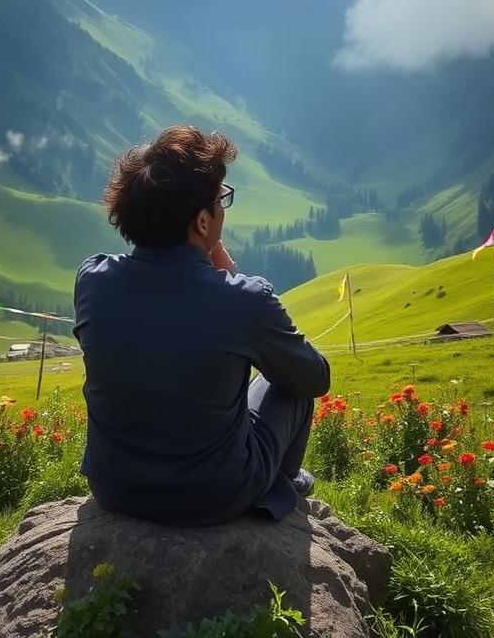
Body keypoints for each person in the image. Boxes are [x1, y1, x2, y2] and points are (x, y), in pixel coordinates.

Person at [73, 124, 330, 526]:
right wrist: (227, 275)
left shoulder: (92, 279)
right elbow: (315, 379)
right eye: (219, 199)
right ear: (203, 221)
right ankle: (281, 482)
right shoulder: (244, 300)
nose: (222, 207)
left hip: (114, 488)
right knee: (289, 385)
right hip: (214, 497)